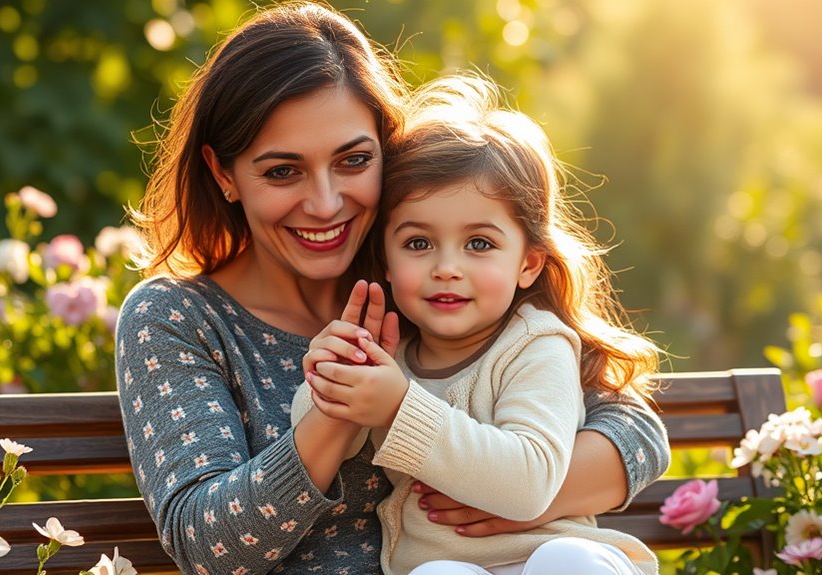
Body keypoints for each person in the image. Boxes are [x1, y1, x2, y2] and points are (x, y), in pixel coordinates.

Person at [114, 3, 668, 575]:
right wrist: (337, 412)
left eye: (353, 160)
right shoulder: (179, 318)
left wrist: (513, 501)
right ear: (224, 173)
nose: (326, 203)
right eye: (283, 171)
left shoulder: (424, 284)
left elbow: (634, 430)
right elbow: (208, 548)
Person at [294, 75, 661, 575]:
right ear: (384, 258)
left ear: (529, 263)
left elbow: (529, 482)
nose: (447, 267)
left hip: (543, 559)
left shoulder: (536, 345)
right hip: (448, 568)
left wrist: (400, 406)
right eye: (418, 244)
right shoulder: (390, 353)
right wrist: (331, 378)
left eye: (479, 244)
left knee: (566, 560)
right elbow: (316, 440)